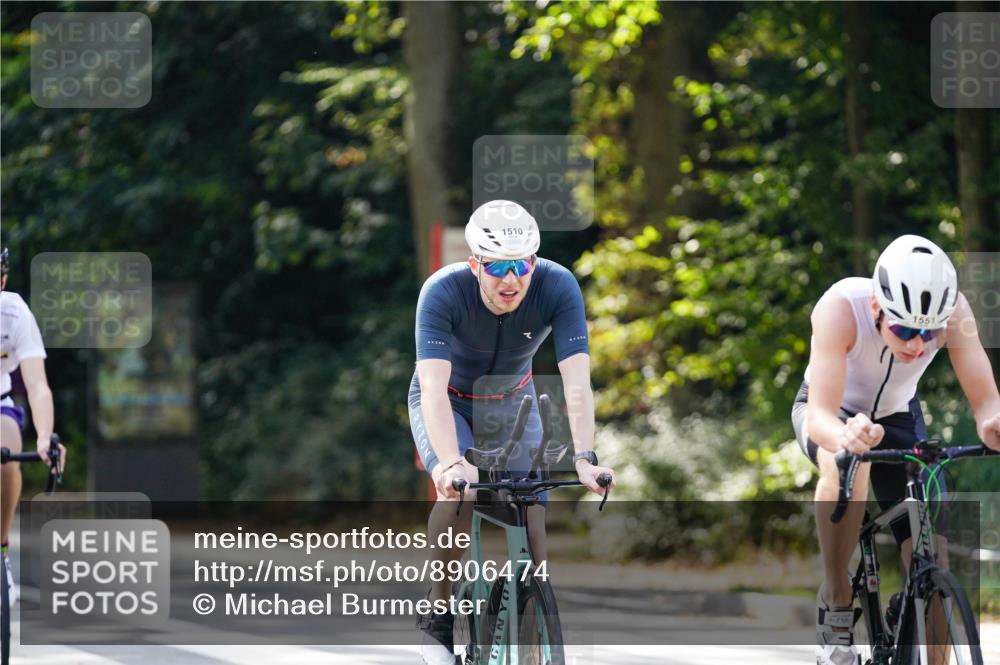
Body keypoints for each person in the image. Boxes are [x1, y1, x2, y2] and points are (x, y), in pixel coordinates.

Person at [409, 200, 615, 664]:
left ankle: (530, 631)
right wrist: (450, 463)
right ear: (474, 264)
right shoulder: (442, 291)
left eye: (520, 265)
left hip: (512, 401)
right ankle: (438, 614)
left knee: (533, 521)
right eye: (497, 266)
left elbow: (576, 381)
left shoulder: (558, 285)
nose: (511, 280)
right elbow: (433, 389)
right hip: (451, 402)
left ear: (534, 262)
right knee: (459, 495)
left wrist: (585, 456)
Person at [792, 235, 1000, 665]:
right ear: (876, 309)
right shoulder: (840, 308)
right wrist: (846, 435)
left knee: (934, 555)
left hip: (898, 416)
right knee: (848, 463)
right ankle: (836, 597)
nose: (918, 345)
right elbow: (820, 417)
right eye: (904, 329)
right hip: (834, 412)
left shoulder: (955, 312)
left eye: (930, 332)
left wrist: (991, 422)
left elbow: (987, 402)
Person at [0, 246, 64, 606]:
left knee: (6, 456)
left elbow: (38, 386)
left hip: (0, 401)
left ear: (3, 281)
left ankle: (1, 549)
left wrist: (43, 437)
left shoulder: (14, 313)